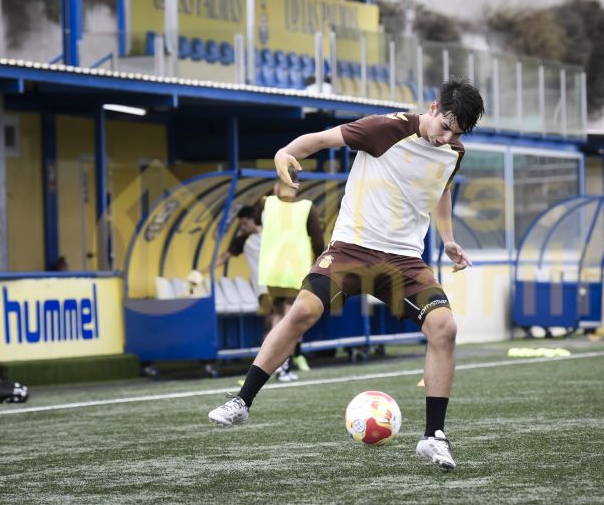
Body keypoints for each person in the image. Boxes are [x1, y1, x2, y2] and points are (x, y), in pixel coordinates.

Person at [208, 77, 485, 472]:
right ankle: (241, 401)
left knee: (445, 328)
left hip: (404, 260)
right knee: (302, 311)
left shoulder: (453, 152)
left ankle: (433, 437)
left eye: (455, 134)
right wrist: (286, 151)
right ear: (433, 107)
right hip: (351, 251)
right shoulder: (383, 129)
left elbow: (441, 189)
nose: (446, 139)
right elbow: (321, 139)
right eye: (444, 127)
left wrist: (448, 238)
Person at [255, 170, 325, 381]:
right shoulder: (306, 207)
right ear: (297, 185)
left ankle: (272, 364)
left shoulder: (266, 203)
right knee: (289, 319)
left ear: (277, 185)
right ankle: (282, 366)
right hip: (294, 271)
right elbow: (318, 243)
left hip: (271, 271)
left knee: (277, 315)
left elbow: (259, 217)